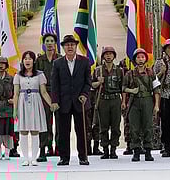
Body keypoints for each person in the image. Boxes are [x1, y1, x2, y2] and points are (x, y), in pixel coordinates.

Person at [51, 34, 91, 166]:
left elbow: (88, 81)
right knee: (63, 132)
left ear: (76, 46)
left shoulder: (84, 61)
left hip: (80, 102)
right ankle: (64, 157)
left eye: (72, 45)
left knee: (82, 131)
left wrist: (85, 94)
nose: (70, 47)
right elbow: (54, 84)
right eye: (67, 45)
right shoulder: (57, 63)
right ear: (63, 47)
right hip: (63, 103)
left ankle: (83, 157)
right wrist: (55, 101)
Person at [13, 51, 53, 166]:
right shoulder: (18, 75)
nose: (27, 61)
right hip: (22, 102)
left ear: (34, 61)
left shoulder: (40, 75)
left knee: (35, 130)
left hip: (36, 102)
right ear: (22, 61)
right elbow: (15, 94)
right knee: (23, 131)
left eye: (30, 58)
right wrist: (15, 110)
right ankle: (26, 158)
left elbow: (44, 92)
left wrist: (51, 104)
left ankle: (34, 158)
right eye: (25, 59)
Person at [122, 48, 160, 162]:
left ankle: (148, 151)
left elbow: (156, 89)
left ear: (145, 59)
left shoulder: (151, 73)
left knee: (148, 127)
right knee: (134, 127)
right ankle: (136, 151)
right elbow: (123, 88)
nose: (140, 59)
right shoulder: (130, 74)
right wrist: (125, 100)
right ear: (135, 59)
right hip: (134, 102)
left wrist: (156, 105)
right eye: (138, 57)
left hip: (147, 100)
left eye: (142, 57)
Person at [92, 46, 123, 159]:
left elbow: (122, 87)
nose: (108, 56)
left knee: (115, 126)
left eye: (111, 54)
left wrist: (123, 102)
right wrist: (98, 83)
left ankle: (113, 149)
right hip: (103, 100)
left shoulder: (119, 70)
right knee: (103, 126)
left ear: (114, 56)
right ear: (103, 56)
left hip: (115, 100)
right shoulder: (98, 70)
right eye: (106, 54)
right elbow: (91, 85)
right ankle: (105, 149)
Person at [35, 33, 59, 161]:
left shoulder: (60, 59)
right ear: (44, 44)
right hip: (43, 94)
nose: (49, 43)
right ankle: (44, 149)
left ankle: (59, 148)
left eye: (52, 41)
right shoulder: (39, 61)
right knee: (44, 124)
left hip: (58, 94)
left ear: (55, 44)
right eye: (47, 41)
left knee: (60, 124)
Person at [119, 57, 132, 155]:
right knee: (127, 122)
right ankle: (129, 145)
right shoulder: (123, 65)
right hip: (127, 99)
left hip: (140, 99)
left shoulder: (145, 61)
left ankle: (138, 145)